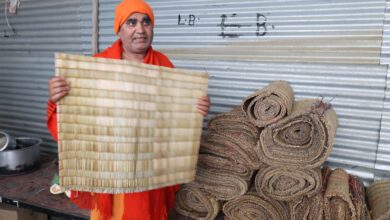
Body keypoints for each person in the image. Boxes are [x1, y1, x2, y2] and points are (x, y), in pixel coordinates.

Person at [46, 0, 210, 219]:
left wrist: (196, 109)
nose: (140, 29)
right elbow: (75, 124)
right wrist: (59, 99)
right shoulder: (97, 67)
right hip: (109, 174)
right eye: (131, 22)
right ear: (119, 29)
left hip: (150, 174)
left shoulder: (164, 65)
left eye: (146, 22)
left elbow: (175, 120)